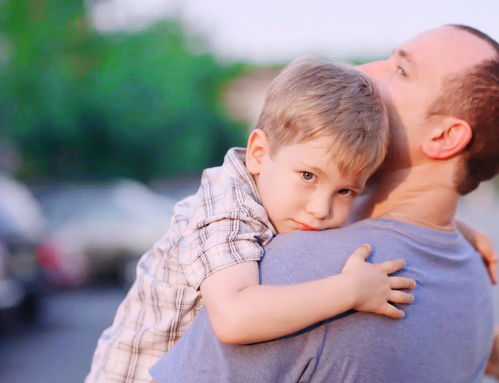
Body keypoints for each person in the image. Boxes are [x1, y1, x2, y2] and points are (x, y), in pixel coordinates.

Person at [150, 25, 499, 383]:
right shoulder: (475, 280)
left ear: (445, 136)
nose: (364, 70)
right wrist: (458, 230)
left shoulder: (295, 271)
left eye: (401, 70)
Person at [85, 57, 420, 383]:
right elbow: (235, 317)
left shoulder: (284, 201)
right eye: (307, 176)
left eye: (345, 191)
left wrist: (463, 233)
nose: (322, 209)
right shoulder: (224, 205)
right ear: (259, 153)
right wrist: (351, 290)